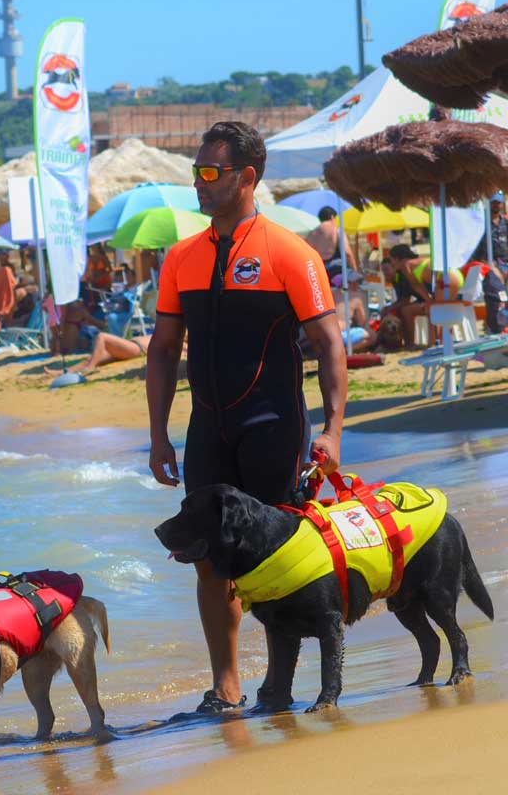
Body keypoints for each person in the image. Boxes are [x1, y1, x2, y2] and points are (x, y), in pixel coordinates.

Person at [146, 121, 347, 714]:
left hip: (273, 424)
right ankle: (227, 684)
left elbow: (330, 344)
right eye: (196, 172)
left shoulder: (290, 252)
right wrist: (158, 434)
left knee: (275, 553)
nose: (199, 184)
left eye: (211, 172)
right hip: (208, 426)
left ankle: (283, 679)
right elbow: (162, 348)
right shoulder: (181, 257)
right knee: (206, 555)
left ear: (247, 177)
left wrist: (333, 430)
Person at [45, 331, 153, 374]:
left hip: (137, 349)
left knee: (102, 337)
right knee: (92, 358)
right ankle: (62, 372)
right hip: (130, 347)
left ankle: (90, 367)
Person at [335, 274, 374, 352]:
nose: (358, 285)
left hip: (326, 335)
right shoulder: (356, 297)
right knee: (371, 336)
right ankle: (345, 351)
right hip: (342, 335)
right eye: (357, 282)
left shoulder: (331, 293)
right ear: (350, 283)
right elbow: (362, 322)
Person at [0, 251, 18, 329]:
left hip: (7, 298)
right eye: (0, 255)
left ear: (7, 256)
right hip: (1, 298)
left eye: (3, 255)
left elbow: (13, 284)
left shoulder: (8, 268)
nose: (1, 257)